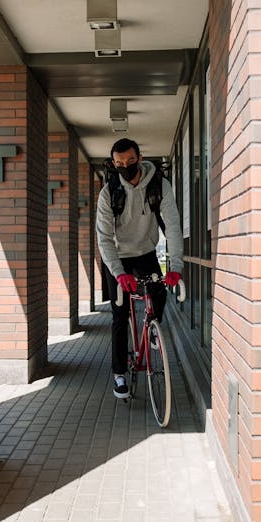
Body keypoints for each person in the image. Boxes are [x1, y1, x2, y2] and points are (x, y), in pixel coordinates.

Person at [96, 138, 184, 399]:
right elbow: (103, 237)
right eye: (119, 163)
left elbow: (173, 228)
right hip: (118, 257)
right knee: (119, 315)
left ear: (139, 157)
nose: (126, 166)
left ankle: (153, 327)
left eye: (131, 161)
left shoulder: (159, 185)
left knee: (159, 292)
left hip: (146, 252)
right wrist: (118, 272)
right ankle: (119, 374)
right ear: (114, 163)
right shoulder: (108, 193)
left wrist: (176, 266)